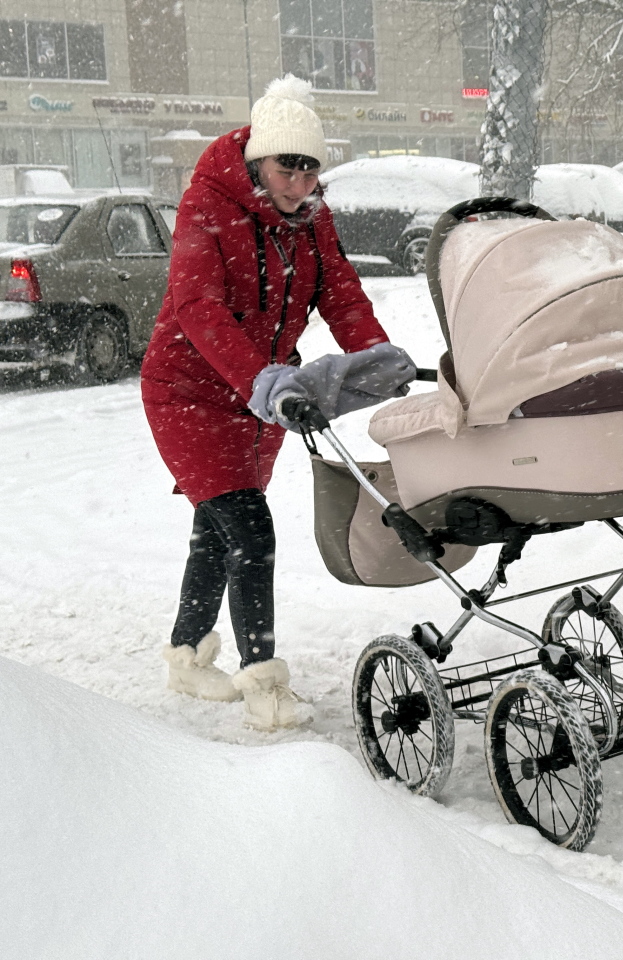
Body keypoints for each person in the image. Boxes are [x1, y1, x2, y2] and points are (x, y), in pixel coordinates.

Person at [141, 75, 414, 731]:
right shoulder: (207, 207)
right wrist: (261, 379)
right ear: (259, 160)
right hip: (189, 392)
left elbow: (342, 297)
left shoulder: (312, 221)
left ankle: (185, 655)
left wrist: (375, 355)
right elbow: (199, 308)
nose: (299, 182)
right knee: (250, 529)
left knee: (216, 533)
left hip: (263, 395)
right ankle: (264, 685)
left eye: (311, 168)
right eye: (287, 165)